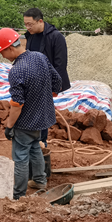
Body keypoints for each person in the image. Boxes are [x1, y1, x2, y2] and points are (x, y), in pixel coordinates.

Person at [0, 28, 62, 199]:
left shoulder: (17, 70)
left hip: (25, 122)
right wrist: (44, 96)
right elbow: (57, 81)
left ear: (10, 48)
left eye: (2, 52)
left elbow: (17, 105)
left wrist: (9, 126)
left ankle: (18, 195)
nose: (2, 56)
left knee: (20, 157)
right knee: (35, 147)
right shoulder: (40, 57)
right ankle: (39, 181)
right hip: (42, 118)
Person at [23, 8, 70, 146]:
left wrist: (55, 86)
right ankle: (32, 141)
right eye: (25, 24)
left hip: (47, 83)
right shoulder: (30, 36)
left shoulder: (56, 37)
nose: (27, 27)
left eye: (30, 24)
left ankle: (41, 144)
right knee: (31, 111)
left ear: (40, 21)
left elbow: (60, 64)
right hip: (32, 81)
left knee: (42, 113)